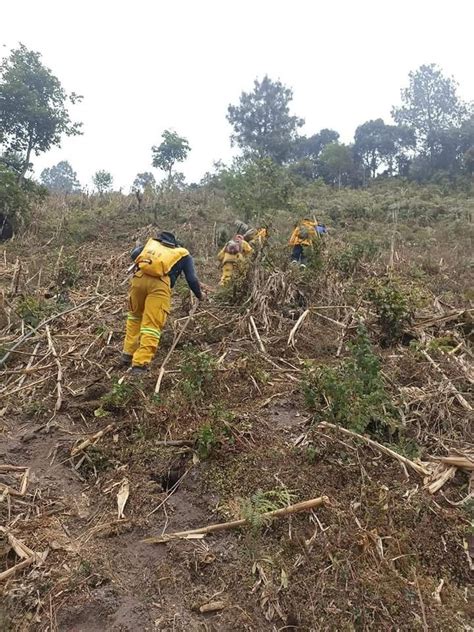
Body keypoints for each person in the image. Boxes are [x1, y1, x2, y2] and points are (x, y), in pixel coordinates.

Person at [121, 231, 203, 375]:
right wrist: (199, 295)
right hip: (159, 285)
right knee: (152, 324)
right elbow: (191, 278)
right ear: (175, 243)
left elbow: (134, 255)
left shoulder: (152, 244)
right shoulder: (182, 254)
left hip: (138, 279)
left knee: (134, 317)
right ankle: (140, 364)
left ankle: (127, 354)